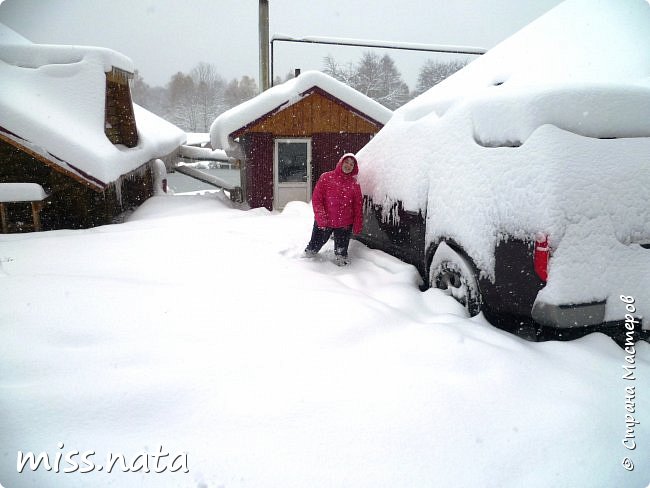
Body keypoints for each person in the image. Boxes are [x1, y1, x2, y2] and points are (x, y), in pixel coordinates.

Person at [304, 152, 363, 266]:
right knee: (313, 248)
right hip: (325, 222)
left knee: (341, 254)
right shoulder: (326, 177)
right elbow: (317, 199)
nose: (348, 165)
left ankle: (344, 275)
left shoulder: (355, 183)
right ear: (341, 163)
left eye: (351, 164)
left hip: (344, 224)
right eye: (346, 162)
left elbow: (357, 205)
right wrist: (321, 218)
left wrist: (357, 223)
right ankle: (304, 267)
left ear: (354, 167)